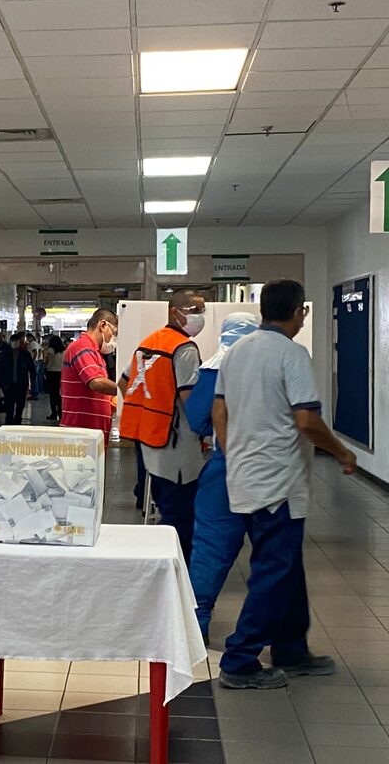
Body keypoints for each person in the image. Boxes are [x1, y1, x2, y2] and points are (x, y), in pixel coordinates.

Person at [214, 280, 357, 689]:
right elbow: (307, 420)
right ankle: (240, 660)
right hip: (278, 483)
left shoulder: (237, 350)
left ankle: (291, 649)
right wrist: (342, 452)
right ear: (299, 312)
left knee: (286, 565)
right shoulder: (292, 354)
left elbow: (219, 409)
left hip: (246, 475)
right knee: (274, 571)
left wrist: (233, 453)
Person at [185, 312, 259, 645]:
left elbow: (198, 420)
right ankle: (278, 638)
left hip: (226, 466)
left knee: (211, 549)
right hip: (268, 469)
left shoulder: (214, 367)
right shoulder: (275, 362)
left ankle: (197, 624)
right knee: (273, 556)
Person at [119, 290, 206, 564]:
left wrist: (148, 411)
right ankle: (177, 572)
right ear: (176, 312)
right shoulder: (184, 349)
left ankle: (160, 563)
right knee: (181, 517)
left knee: (166, 505)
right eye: (195, 311)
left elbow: (124, 382)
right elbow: (190, 400)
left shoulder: (149, 343)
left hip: (150, 439)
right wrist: (211, 427)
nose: (200, 316)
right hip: (177, 444)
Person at [60, 309, 119, 444]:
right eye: (114, 333)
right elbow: (96, 382)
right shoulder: (82, 347)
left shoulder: (95, 352)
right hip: (80, 436)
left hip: (91, 435)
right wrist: (125, 390)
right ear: (103, 325)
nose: (113, 339)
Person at [0, 332, 37, 425]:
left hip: (21, 384)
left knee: (20, 405)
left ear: (19, 342)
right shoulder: (5, 355)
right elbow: (0, 369)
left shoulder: (25, 355)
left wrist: (32, 382)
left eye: (16, 341)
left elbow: (32, 369)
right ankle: (9, 422)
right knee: (9, 405)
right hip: (8, 385)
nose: (14, 343)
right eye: (13, 341)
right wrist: (1, 383)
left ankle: (18, 420)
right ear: (10, 342)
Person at [44, 335, 65, 421]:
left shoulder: (50, 350)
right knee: (59, 393)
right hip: (61, 373)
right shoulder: (64, 351)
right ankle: (61, 412)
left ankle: (53, 413)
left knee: (52, 394)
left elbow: (46, 361)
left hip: (51, 372)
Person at [26, 333, 42, 399]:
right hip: (37, 361)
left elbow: (35, 351)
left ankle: (34, 394)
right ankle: (35, 392)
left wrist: (33, 360)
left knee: (33, 378)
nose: (27, 339)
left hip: (34, 362)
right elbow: (40, 350)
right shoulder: (36, 343)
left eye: (27, 338)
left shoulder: (32, 343)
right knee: (35, 378)